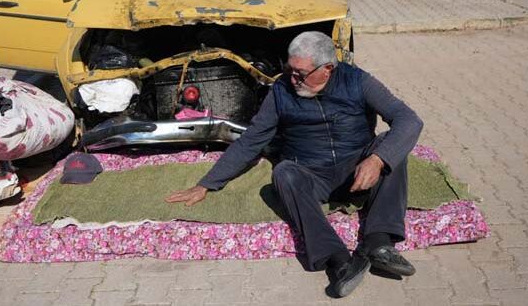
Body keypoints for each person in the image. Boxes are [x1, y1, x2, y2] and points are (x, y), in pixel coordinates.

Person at [166, 31, 423, 298]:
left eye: (301, 73)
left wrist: (377, 160)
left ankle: (379, 243)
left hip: (357, 170)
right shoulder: (281, 92)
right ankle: (339, 262)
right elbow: (251, 140)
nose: (293, 79)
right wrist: (207, 183)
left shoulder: (357, 80)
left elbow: (409, 120)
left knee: (391, 147)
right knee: (284, 172)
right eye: (291, 70)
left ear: (327, 70)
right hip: (312, 174)